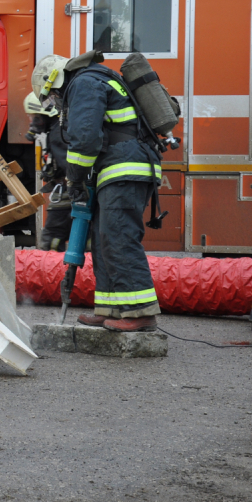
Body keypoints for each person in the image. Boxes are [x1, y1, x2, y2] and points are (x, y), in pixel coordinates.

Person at [33, 51, 162, 332]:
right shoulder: (95, 79)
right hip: (118, 169)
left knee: (119, 237)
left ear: (55, 79)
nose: (55, 101)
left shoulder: (84, 83)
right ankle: (110, 308)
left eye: (53, 95)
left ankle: (139, 312)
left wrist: (75, 181)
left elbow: (85, 139)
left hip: (125, 170)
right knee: (104, 239)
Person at [23, 92, 72, 252]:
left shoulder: (58, 134)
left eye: (34, 117)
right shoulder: (60, 127)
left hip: (68, 192)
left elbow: (68, 165)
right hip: (72, 191)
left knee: (52, 235)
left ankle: (50, 268)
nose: (32, 122)